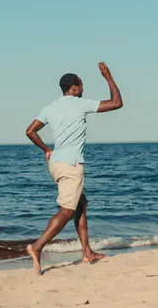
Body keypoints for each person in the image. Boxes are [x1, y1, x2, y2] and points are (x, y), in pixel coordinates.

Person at [24, 62, 123, 274]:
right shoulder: (80, 104)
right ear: (74, 87)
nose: (83, 89)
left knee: (81, 204)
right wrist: (108, 77)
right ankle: (37, 246)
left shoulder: (49, 108)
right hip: (71, 165)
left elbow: (30, 131)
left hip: (56, 164)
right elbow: (117, 103)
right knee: (68, 211)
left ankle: (87, 253)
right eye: (81, 85)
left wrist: (46, 150)